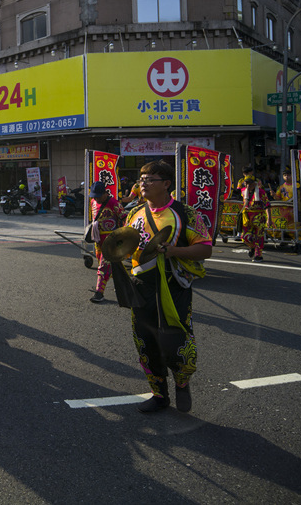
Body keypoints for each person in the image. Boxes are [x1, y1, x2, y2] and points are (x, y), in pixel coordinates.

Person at [123, 160, 212, 414]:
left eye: (149, 179)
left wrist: (174, 251)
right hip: (140, 287)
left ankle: (182, 383)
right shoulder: (134, 212)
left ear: (166, 184)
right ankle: (159, 394)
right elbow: (126, 245)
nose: (143, 184)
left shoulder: (186, 213)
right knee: (145, 341)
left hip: (173, 287)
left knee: (176, 340)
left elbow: (206, 248)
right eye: (141, 179)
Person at [85, 181, 125, 303]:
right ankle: (123, 286)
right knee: (110, 265)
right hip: (98, 240)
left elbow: (124, 218)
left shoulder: (114, 203)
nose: (96, 198)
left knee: (103, 266)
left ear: (105, 193)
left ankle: (99, 293)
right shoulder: (93, 202)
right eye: (94, 196)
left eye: (98, 196)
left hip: (111, 241)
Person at [240, 175, 270, 262]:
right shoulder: (243, 191)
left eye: (250, 183)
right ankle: (253, 247)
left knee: (259, 236)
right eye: (246, 183)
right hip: (247, 217)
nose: (248, 185)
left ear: (255, 184)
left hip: (259, 217)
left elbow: (267, 205)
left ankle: (258, 255)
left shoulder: (261, 192)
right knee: (245, 237)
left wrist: (269, 218)